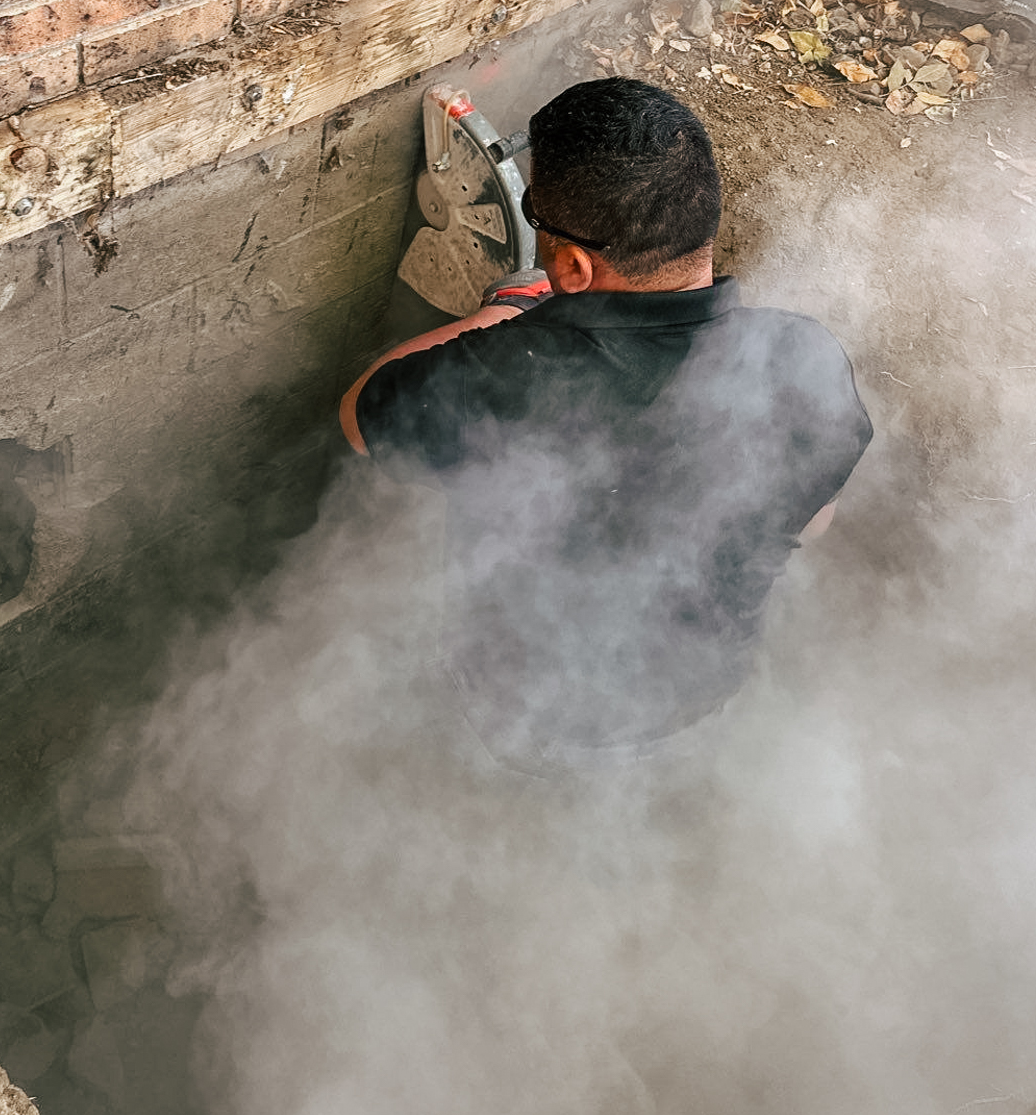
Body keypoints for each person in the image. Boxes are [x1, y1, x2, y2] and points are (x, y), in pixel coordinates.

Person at [339, 77, 872, 774]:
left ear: (572, 265)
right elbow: (814, 521)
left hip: (531, 728)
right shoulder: (807, 359)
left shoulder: (518, 370)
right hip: (703, 709)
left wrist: (503, 316)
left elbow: (359, 415)